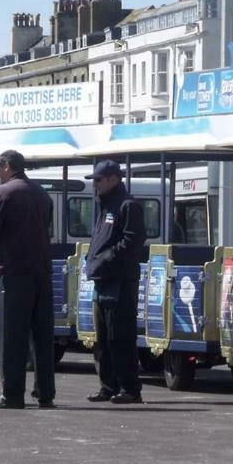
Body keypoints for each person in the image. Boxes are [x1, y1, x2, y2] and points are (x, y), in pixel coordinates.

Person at [0, 149, 55, 410]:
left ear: (8, 166)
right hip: (42, 271)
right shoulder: (42, 193)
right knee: (43, 334)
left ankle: (12, 394)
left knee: (12, 336)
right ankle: (45, 393)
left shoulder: (2, 194)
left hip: (14, 271)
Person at [84, 160, 146, 404]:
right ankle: (108, 386)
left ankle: (130, 388)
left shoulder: (128, 205)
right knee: (102, 338)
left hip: (120, 280)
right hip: (103, 279)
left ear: (113, 178)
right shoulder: (105, 205)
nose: (95, 185)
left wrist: (106, 258)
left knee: (119, 336)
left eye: (98, 180)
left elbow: (133, 240)